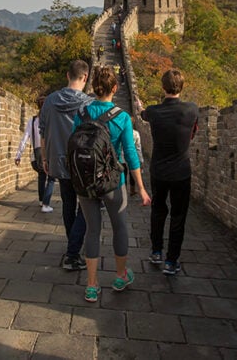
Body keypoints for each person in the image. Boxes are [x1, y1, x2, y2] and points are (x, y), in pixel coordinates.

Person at [72, 66, 150, 302]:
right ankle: (120, 276)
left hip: (85, 181)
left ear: (93, 88)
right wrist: (142, 188)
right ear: (115, 88)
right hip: (113, 183)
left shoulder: (82, 113)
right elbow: (130, 154)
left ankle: (92, 285)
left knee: (92, 230)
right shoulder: (123, 117)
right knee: (120, 228)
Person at [141, 69, 199, 275]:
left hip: (158, 170)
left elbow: (143, 114)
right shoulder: (192, 110)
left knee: (158, 211)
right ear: (181, 87)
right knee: (178, 215)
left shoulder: (153, 111)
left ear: (162, 87)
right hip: (181, 171)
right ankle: (171, 261)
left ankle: (156, 251)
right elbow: (193, 132)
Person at [39, 60, 94, 270]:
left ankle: (72, 246)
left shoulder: (50, 101)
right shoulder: (88, 104)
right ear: (85, 77)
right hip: (82, 163)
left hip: (59, 161)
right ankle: (72, 252)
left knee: (68, 204)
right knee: (87, 207)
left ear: (67, 75)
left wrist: (45, 159)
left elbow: (42, 133)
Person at [15, 96, 55, 212]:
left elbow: (24, 139)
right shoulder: (50, 120)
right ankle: (46, 205)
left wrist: (18, 155)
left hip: (36, 155)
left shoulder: (32, 121)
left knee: (41, 177)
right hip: (49, 153)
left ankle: (41, 200)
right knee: (51, 179)